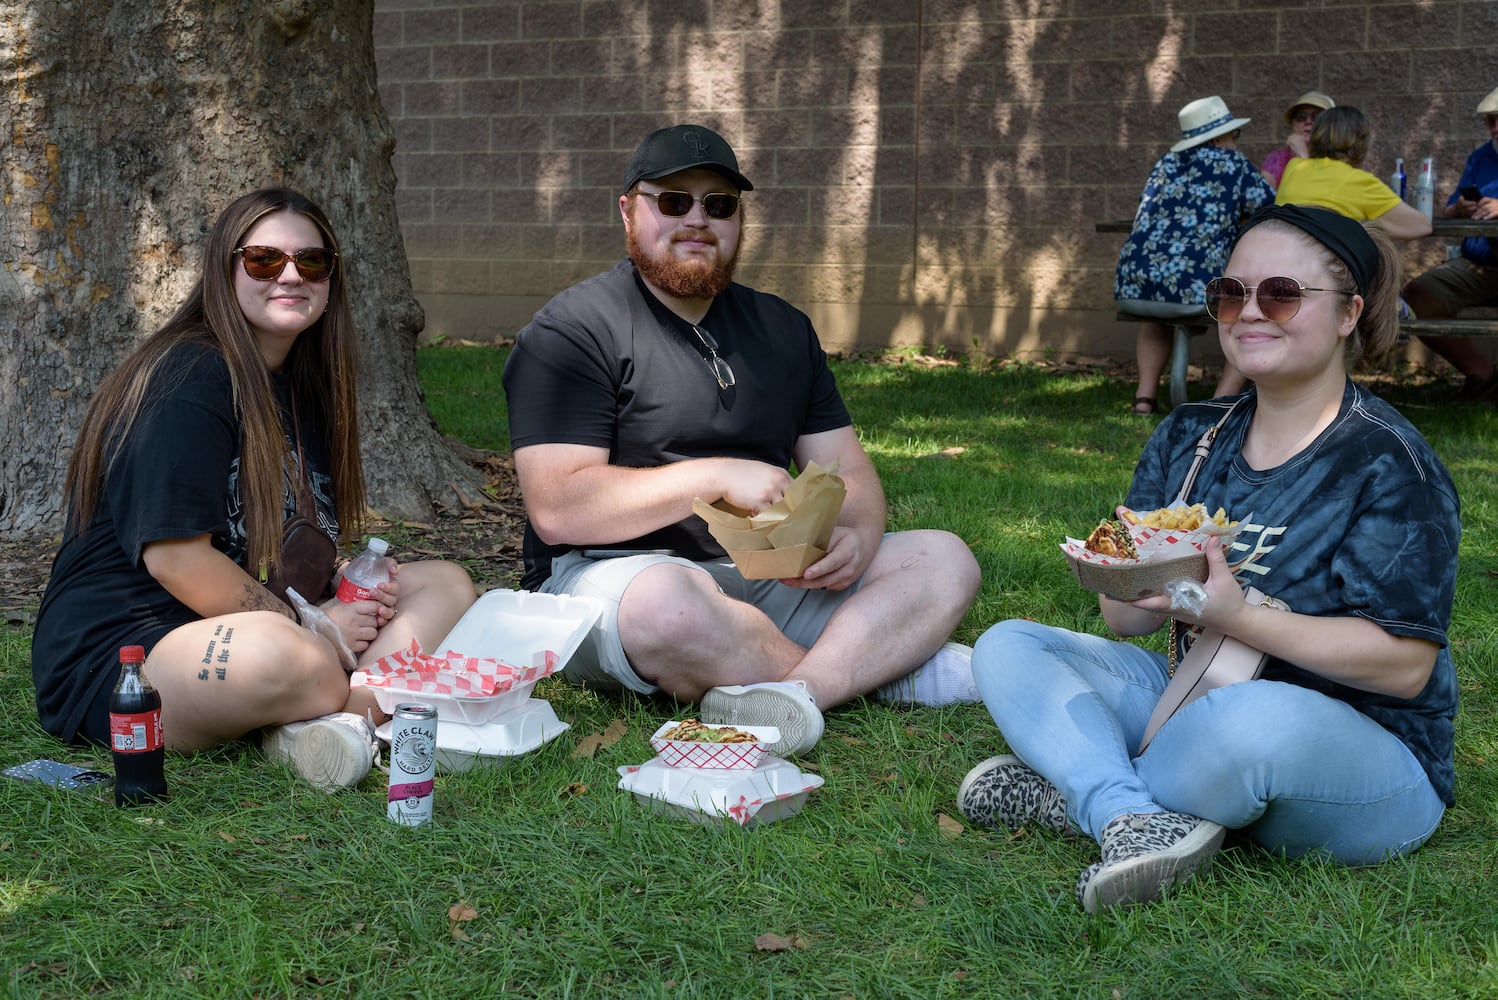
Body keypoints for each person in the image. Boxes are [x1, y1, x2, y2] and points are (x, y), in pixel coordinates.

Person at [960, 204, 1459, 913]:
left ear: (1348, 314)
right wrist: (1136, 577)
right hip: (1189, 694)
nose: (1249, 312)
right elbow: (1124, 622)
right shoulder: (1190, 435)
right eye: (1231, 292)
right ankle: (1127, 815)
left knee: (1247, 723)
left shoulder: (1388, 462)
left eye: (1280, 293)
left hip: (1366, 752)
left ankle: (1082, 787)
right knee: (1009, 646)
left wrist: (1237, 615)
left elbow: (1405, 668)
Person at [501, 124, 982, 756]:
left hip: (766, 570)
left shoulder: (782, 328)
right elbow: (560, 509)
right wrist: (715, 476)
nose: (697, 219)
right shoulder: (573, 330)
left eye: (718, 204)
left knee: (944, 559)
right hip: (613, 579)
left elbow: (849, 473)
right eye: (673, 201)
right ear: (628, 210)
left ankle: (798, 693)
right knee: (669, 609)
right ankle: (878, 666)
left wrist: (859, 536)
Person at [31, 188, 477, 791]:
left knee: (444, 583)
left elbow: (276, 538)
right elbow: (176, 558)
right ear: (225, 271)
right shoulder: (187, 378)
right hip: (128, 653)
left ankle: (328, 727)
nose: (291, 275)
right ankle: (338, 708)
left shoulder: (300, 384)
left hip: (247, 624)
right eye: (264, 260)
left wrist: (342, 596)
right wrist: (317, 625)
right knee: (292, 658)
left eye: (312, 262)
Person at [1115, 96, 1274, 415]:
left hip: (1133, 286)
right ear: (1218, 137)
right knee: (1248, 311)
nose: (1234, 142)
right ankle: (1217, 404)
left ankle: (1144, 400)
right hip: (1193, 291)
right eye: (1233, 135)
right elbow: (1270, 208)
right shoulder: (1234, 165)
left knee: (1155, 315)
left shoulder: (1165, 163)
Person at [1403, 85, 1498, 402]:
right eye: (1490, 120)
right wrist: (1460, 209)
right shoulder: (1481, 155)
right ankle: (1482, 375)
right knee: (1417, 297)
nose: (1495, 127)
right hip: (1477, 264)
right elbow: (1448, 208)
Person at [1274, 106, 1433, 240]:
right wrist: (1361, 224)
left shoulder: (1294, 167)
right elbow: (1422, 226)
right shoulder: (1360, 182)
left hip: (1282, 265)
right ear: (1362, 142)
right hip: (1328, 272)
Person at [1260, 90, 1335, 189]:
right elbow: (1265, 200)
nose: (1308, 121)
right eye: (1301, 117)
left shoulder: (1341, 156)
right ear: (1293, 124)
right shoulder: (1277, 159)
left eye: (1316, 117)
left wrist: (1303, 155)